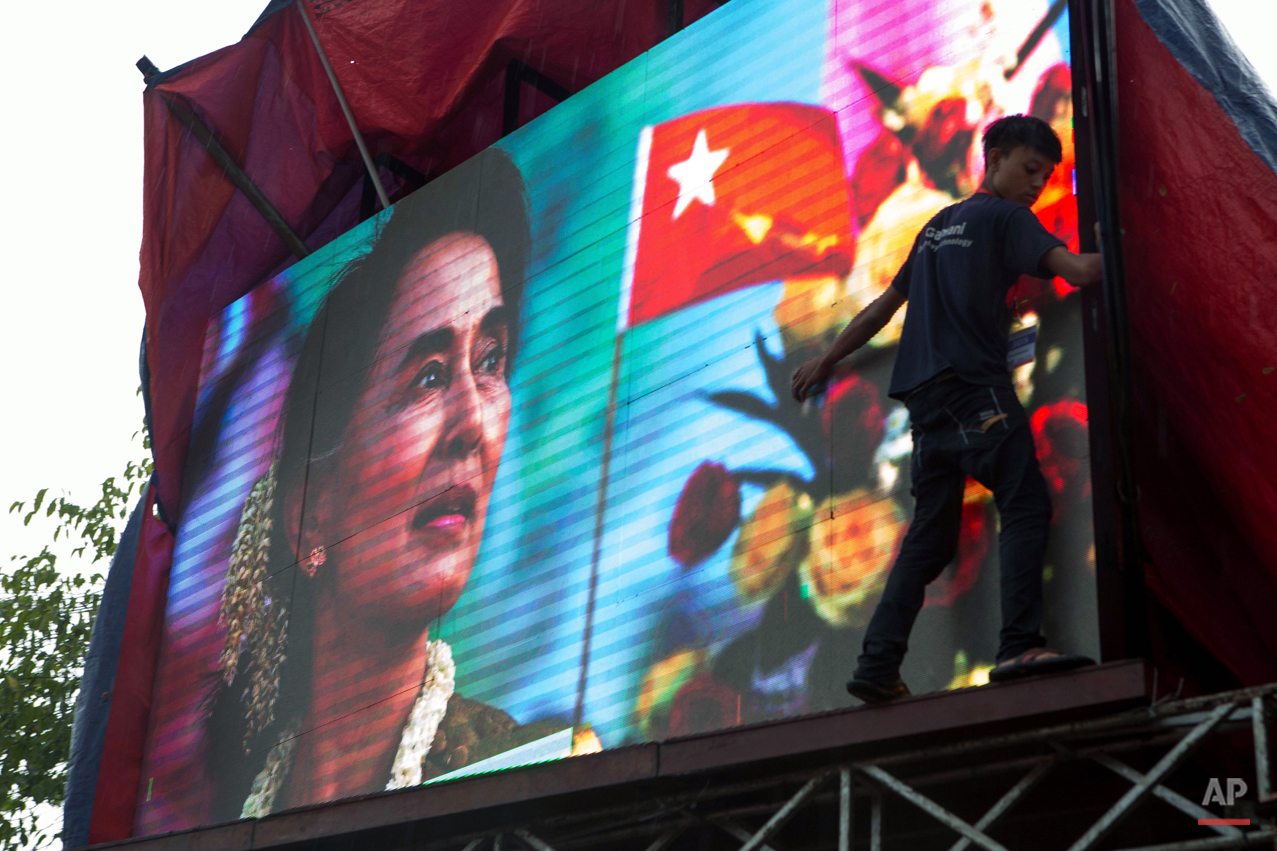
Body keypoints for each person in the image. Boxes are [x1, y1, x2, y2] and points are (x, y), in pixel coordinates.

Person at [204, 149, 567, 820]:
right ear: (311, 517)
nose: (472, 422)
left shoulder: (524, 771)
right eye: (428, 375)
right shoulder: (227, 809)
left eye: (490, 361)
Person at [790, 115, 1103, 703]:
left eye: (1047, 175)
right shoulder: (1008, 218)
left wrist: (827, 359)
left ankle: (878, 664)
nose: (1038, 183)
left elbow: (882, 309)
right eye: (1030, 169)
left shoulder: (935, 227)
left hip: (925, 405)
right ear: (995, 158)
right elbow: (1080, 271)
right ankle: (1019, 645)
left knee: (929, 540)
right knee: (1025, 499)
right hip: (974, 390)